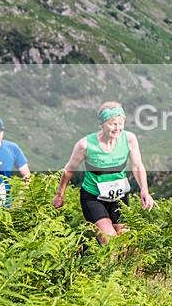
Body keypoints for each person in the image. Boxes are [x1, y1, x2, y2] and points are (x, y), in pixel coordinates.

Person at [52, 102, 156, 244]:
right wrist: (60, 194)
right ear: (102, 123)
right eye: (112, 124)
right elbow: (69, 170)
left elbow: (138, 166)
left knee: (127, 243)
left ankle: (125, 266)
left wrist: (145, 190)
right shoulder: (86, 145)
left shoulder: (129, 139)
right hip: (93, 198)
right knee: (110, 242)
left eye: (120, 123)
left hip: (119, 197)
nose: (117, 128)